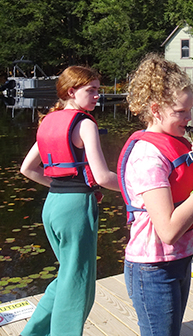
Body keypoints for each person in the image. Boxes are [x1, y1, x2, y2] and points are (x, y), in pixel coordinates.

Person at [118, 54, 193, 336]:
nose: (189, 118)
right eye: (181, 112)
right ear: (156, 109)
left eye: (190, 110)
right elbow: (167, 231)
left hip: (181, 258)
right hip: (153, 268)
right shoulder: (147, 156)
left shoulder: (182, 143)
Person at [19, 65, 120, 336]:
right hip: (76, 210)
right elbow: (101, 176)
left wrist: (60, 186)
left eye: (98, 90)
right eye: (92, 90)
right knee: (78, 284)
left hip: (52, 206)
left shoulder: (49, 121)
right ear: (72, 91)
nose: (98, 96)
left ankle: (32, 334)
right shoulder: (85, 123)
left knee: (67, 276)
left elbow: (27, 169)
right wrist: (133, 186)